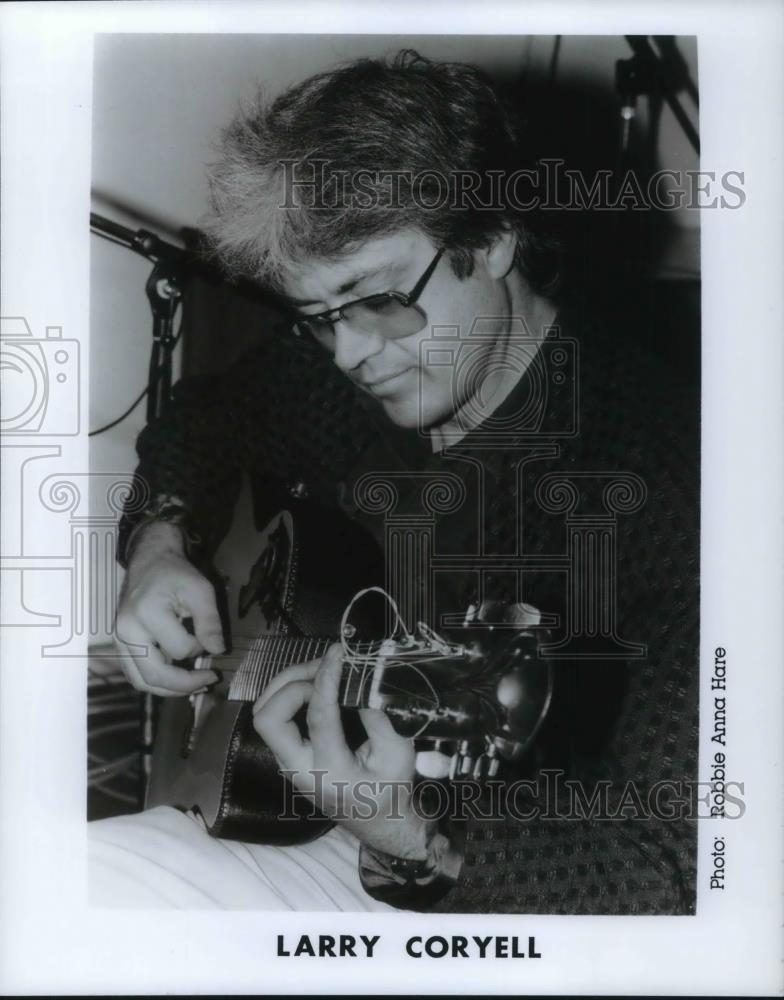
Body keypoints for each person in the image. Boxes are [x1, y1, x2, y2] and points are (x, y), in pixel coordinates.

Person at [91, 51, 700, 914]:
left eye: (377, 302)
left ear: (489, 240)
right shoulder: (360, 375)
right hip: (335, 828)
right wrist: (159, 542)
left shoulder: (678, 490)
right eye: (318, 318)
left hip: (519, 885)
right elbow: (212, 412)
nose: (350, 355)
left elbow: (676, 876)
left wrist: (414, 837)